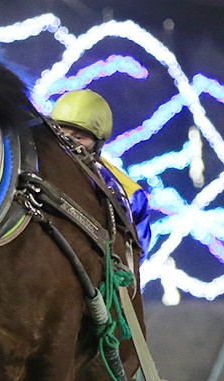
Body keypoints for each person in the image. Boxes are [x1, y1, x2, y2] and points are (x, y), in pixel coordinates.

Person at [49, 89, 152, 263]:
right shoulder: (30, 165)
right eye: (60, 133)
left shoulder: (130, 194)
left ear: (98, 143)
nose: (67, 142)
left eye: (79, 137)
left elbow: (133, 257)